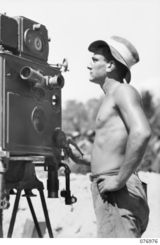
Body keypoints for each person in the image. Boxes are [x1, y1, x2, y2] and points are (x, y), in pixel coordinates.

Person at [72, 36, 151, 237]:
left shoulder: (122, 91)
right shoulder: (111, 97)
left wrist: (118, 180)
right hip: (113, 191)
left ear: (110, 66)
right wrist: (82, 159)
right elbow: (115, 152)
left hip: (118, 192)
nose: (88, 65)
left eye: (95, 60)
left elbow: (141, 132)